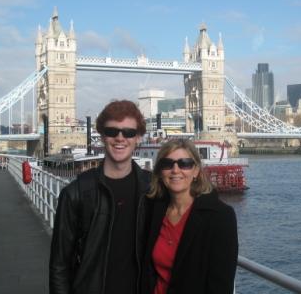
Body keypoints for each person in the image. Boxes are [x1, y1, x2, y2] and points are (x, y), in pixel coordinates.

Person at [49, 100, 151, 294]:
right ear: (102, 136)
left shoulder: (153, 189)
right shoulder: (75, 193)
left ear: (138, 138)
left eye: (128, 132)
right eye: (112, 131)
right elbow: (60, 265)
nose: (120, 138)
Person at [140, 138, 238, 294]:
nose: (175, 170)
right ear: (159, 172)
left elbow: (221, 286)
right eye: (167, 164)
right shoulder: (153, 210)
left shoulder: (220, 217)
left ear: (196, 171)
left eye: (184, 163)